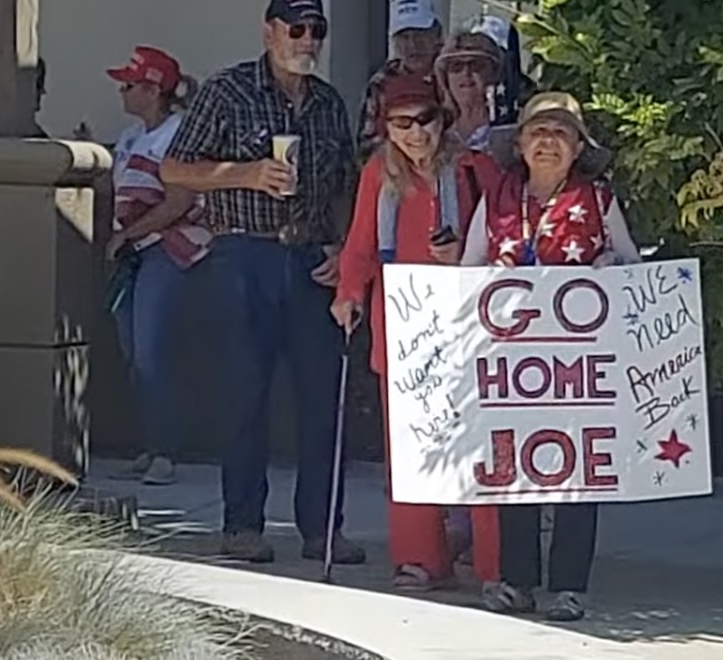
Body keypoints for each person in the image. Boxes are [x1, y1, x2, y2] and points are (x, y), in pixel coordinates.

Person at [161, 0, 364, 566]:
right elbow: (174, 168)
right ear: (270, 32)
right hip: (242, 254)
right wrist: (246, 173)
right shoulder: (228, 90)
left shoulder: (327, 103)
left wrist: (346, 250)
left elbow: (345, 184)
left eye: (316, 30)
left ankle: (323, 529)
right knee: (245, 395)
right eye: (295, 29)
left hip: (309, 259)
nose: (307, 40)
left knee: (323, 399)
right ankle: (242, 524)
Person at [462, 91, 642, 622]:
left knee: (577, 470)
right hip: (510, 363)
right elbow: (470, 267)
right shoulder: (496, 199)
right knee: (513, 464)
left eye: (560, 133)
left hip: (576, 366)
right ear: (518, 144)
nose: (547, 142)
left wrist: (608, 268)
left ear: (577, 148)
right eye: (538, 132)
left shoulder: (599, 200)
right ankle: (518, 581)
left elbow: (630, 264)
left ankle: (569, 586)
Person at [333, 69, 501, 591]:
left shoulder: (477, 169)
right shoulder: (377, 176)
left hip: (470, 321)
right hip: (405, 326)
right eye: (400, 123)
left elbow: (505, 234)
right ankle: (420, 557)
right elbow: (361, 243)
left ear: (440, 118)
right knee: (411, 444)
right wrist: (348, 293)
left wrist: (467, 257)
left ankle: (497, 562)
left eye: (423, 119)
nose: (414, 133)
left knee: (483, 443)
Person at [105, 46, 209, 486]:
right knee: (133, 350)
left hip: (170, 249)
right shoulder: (130, 138)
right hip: (135, 253)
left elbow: (180, 200)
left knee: (152, 351)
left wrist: (128, 234)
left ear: (153, 89)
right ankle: (150, 445)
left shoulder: (178, 133)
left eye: (129, 85)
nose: (122, 93)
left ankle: (167, 449)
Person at [356, 0, 444, 162]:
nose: (413, 45)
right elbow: (366, 149)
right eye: (404, 37)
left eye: (420, 34)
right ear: (394, 42)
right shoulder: (381, 83)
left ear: (437, 35)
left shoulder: (453, 76)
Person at [434, 31, 501, 151]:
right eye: (456, 66)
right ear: (445, 77)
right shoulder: (435, 129)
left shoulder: (510, 124)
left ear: (493, 72)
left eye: (476, 65)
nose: (466, 73)